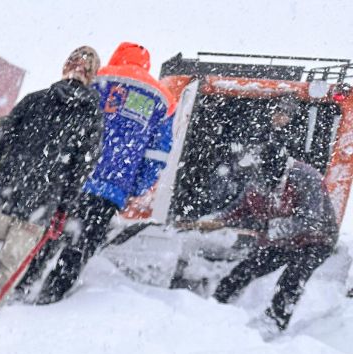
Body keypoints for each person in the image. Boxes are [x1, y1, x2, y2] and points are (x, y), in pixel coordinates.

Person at [0, 46, 104, 324]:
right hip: (42, 204)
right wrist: (63, 210)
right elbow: (80, 170)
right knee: (11, 264)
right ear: (92, 77)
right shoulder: (91, 118)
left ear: (65, 67)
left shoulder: (35, 100)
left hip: (7, 191)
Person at [36, 42, 176, 304]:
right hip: (112, 189)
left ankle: (24, 281)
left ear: (116, 56)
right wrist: (138, 185)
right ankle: (50, 296)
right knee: (81, 246)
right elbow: (158, 152)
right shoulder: (162, 98)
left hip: (75, 178)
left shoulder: (98, 78)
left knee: (49, 232)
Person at [187, 142, 339, 331]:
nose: (260, 186)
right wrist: (218, 221)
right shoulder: (258, 177)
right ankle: (215, 305)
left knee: (291, 279)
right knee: (245, 270)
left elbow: (311, 220)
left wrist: (272, 229)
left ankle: (274, 323)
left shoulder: (305, 177)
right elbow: (241, 207)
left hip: (317, 239)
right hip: (283, 241)